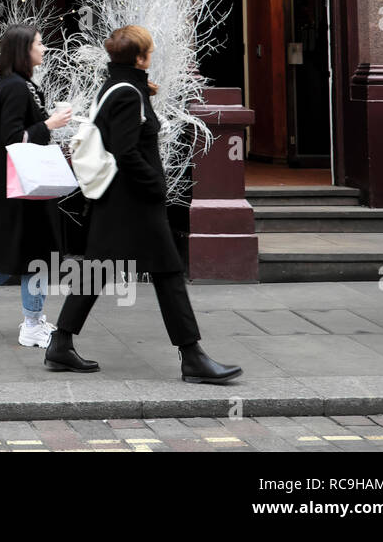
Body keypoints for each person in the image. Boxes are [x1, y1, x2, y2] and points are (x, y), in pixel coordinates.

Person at [43, 25, 242, 384]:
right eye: (150, 49)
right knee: (166, 272)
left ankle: (60, 343)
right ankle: (192, 356)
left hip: (120, 201)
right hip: (133, 202)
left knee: (99, 268)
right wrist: (155, 185)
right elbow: (125, 150)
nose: (153, 53)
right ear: (139, 56)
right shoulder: (126, 92)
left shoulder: (122, 85)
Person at [0, 24, 72, 347]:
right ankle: (31, 322)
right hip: (26, 188)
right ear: (24, 51)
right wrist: (50, 124)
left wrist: (48, 122)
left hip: (21, 187)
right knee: (37, 255)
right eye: (39, 43)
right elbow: (13, 139)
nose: (44, 48)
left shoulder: (13, 84)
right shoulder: (17, 88)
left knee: (21, 251)